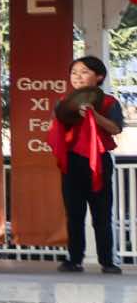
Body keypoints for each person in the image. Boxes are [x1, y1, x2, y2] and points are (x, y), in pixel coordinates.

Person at [54, 55, 123, 274]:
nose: (78, 77)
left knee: (101, 213)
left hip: (98, 161)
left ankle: (107, 261)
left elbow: (115, 128)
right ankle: (74, 259)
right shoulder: (63, 102)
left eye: (84, 72)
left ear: (99, 76)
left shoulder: (109, 102)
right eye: (74, 73)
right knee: (74, 214)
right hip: (72, 162)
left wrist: (94, 116)